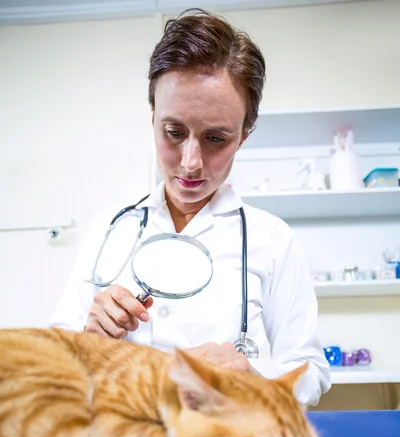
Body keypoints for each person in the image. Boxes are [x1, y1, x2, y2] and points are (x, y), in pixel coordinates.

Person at [50, 9, 330, 406]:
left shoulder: (272, 239)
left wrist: (252, 380)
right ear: (152, 119)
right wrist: (89, 339)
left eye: (216, 138)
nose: (191, 162)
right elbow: (55, 366)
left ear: (244, 136)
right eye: (174, 132)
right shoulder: (108, 230)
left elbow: (311, 371)